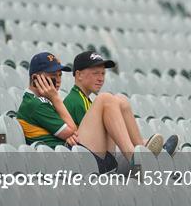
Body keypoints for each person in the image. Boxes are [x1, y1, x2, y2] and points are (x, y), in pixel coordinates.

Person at [16, 52, 163, 173]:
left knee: (120, 100)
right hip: (71, 162)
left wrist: (69, 131)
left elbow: (72, 132)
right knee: (105, 99)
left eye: (60, 75)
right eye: (53, 75)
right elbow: (72, 130)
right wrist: (55, 98)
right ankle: (135, 158)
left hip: (79, 156)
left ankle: (141, 151)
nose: (58, 80)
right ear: (36, 78)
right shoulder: (34, 103)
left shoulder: (44, 101)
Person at [63, 51, 179, 156]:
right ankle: (137, 153)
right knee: (106, 98)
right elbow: (96, 135)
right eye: (96, 73)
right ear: (79, 75)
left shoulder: (84, 99)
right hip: (83, 157)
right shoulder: (75, 100)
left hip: (96, 153)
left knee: (121, 100)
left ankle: (142, 147)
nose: (101, 78)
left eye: (103, 74)